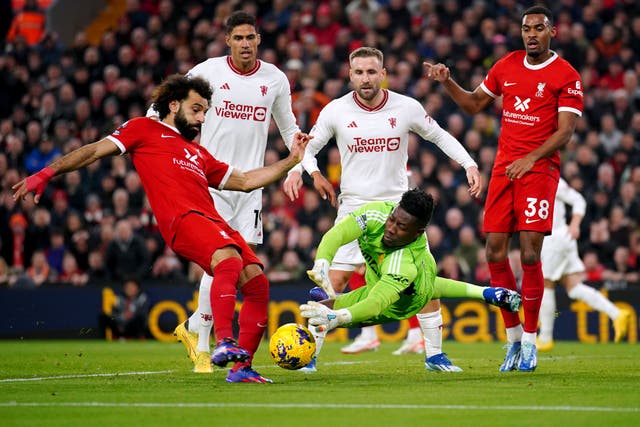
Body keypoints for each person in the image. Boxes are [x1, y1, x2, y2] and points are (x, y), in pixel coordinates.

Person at [13, 74, 310, 383]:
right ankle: (224, 341)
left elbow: (247, 181)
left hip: (212, 220)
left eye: (205, 112)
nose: (202, 118)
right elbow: (93, 151)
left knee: (258, 284)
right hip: (182, 220)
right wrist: (47, 173)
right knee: (229, 259)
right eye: (196, 109)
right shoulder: (142, 129)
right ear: (173, 105)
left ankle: (241, 369)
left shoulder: (198, 153)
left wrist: (291, 160)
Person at [284, 46, 481, 370]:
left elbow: (440, 136)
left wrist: (469, 164)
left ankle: (435, 355)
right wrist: (308, 172)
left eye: (372, 72)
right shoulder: (336, 110)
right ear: (350, 75)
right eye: (359, 72)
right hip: (354, 207)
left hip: (398, 212)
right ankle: (310, 356)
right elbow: (307, 147)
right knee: (333, 282)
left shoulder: (406, 108)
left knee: (425, 281)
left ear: (383, 74)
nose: (365, 78)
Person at [424, 5, 584, 372]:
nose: (531, 34)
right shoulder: (506, 65)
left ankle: (531, 341)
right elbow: (474, 104)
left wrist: (531, 158)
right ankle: (512, 340)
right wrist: (446, 81)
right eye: (526, 28)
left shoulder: (566, 75)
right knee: (494, 252)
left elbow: (566, 131)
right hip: (503, 170)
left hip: (539, 172)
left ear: (552, 32)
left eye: (538, 28)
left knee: (529, 254)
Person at [147, 11, 302, 374]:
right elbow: (161, 109)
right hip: (210, 182)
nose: (245, 44)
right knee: (220, 263)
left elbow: (290, 127)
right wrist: (154, 142)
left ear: (259, 39)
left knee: (236, 268)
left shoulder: (274, 79)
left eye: (251, 37)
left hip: (250, 187)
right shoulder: (207, 73)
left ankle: (196, 329)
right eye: (239, 38)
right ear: (227, 40)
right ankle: (203, 346)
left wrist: (301, 168)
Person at [300, 188, 521, 372]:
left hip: (400, 303)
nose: (391, 229)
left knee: (326, 313)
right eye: (393, 219)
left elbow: (377, 302)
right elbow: (337, 234)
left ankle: (308, 357)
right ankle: (439, 351)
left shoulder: (403, 262)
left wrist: (337, 317)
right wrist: (323, 261)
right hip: (396, 283)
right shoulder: (377, 214)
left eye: (401, 227)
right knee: (322, 311)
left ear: (418, 233)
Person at [538, 178, 632, 350]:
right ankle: (617, 313)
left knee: (546, 284)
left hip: (556, 239)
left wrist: (574, 224)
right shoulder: (530, 177)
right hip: (556, 240)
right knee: (573, 288)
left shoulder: (550, 178)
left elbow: (578, 199)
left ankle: (545, 338)